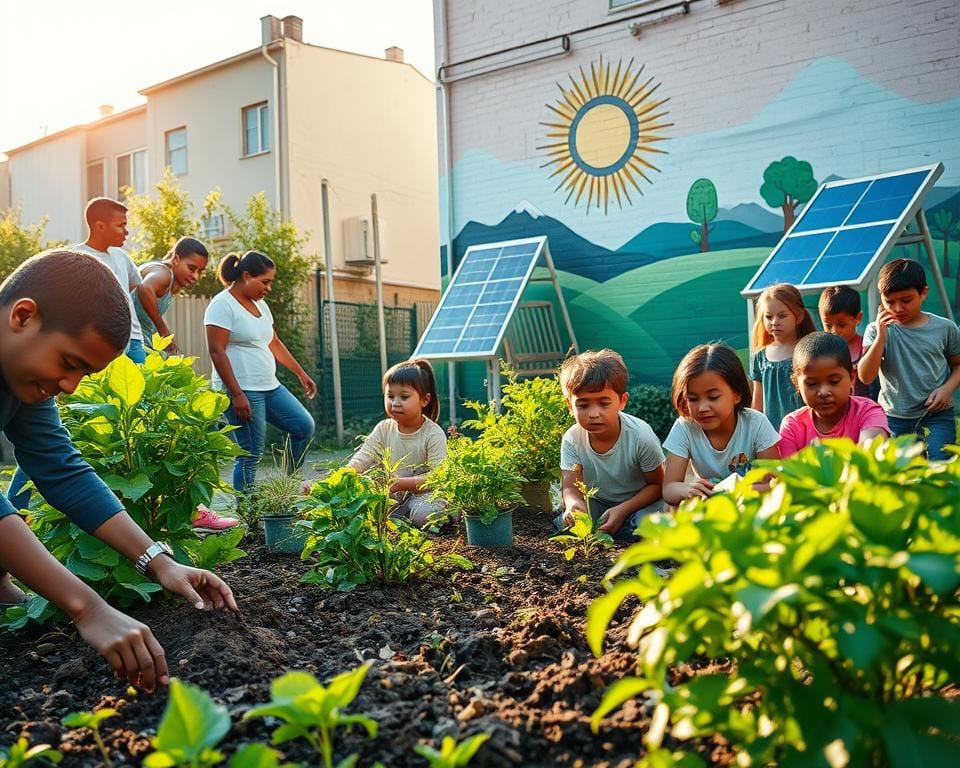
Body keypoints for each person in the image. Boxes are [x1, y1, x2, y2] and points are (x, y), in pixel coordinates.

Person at [0, 250, 237, 692]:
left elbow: (62, 470)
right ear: (23, 316)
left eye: (83, 374)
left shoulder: (23, 377)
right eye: (70, 364)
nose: (69, 386)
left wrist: (159, 561)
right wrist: (87, 608)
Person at [204, 251, 317, 492]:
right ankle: (249, 516)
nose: (268, 288)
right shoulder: (222, 305)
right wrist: (236, 394)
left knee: (303, 427)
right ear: (246, 276)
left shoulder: (261, 306)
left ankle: (287, 487)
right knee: (250, 453)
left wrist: (300, 373)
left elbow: (273, 341)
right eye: (265, 281)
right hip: (242, 389)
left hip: (270, 386)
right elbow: (216, 351)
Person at [556, 349, 664, 540]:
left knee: (643, 525)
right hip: (599, 502)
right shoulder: (572, 439)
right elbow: (571, 487)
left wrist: (622, 510)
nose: (593, 413)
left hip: (639, 502)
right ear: (569, 406)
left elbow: (658, 485)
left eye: (603, 403)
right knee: (566, 524)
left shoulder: (640, 436)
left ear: (622, 401)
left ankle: (625, 528)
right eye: (583, 405)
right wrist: (573, 504)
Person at [858, 258, 960, 460]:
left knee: (940, 471)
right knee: (904, 478)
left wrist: (947, 389)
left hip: (937, 416)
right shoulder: (875, 330)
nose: (897, 308)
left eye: (906, 300)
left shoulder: (945, 328)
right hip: (894, 418)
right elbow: (866, 376)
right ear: (881, 299)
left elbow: (958, 365)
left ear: (923, 293)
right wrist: (881, 336)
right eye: (890, 302)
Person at [662, 343, 780, 505]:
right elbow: (669, 489)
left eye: (713, 397)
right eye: (693, 399)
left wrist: (737, 490)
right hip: (709, 508)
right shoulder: (685, 427)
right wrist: (688, 489)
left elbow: (775, 485)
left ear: (737, 394)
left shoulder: (756, 423)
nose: (703, 408)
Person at [346, 359, 447, 526]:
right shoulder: (383, 429)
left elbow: (438, 477)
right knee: (364, 510)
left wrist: (403, 483)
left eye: (404, 396)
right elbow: (362, 458)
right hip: (393, 494)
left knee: (426, 515)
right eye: (390, 396)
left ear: (425, 400)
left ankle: (446, 513)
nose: (395, 403)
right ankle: (401, 518)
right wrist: (344, 474)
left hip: (425, 494)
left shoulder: (433, 433)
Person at [778, 333, 889, 457]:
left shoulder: (867, 412)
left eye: (834, 381)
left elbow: (871, 451)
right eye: (812, 383)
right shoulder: (792, 426)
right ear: (796, 383)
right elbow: (789, 473)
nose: (824, 392)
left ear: (852, 376)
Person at [71, 197, 146, 364]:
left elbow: (135, 286)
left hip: (133, 338)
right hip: (100, 341)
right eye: (121, 225)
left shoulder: (122, 256)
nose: (126, 231)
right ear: (100, 226)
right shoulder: (76, 258)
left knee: (142, 388)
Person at [750, 283, 816, 430]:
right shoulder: (760, 356)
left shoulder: (810, 350)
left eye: (782, 316)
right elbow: (757, 405)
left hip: (805, 432)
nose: (774, 322)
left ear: (799, 317)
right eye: (768, 317)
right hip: (771, 437)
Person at [133, 236, 209, 355]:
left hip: (137, 341)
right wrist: (164, 332)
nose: (195, 276)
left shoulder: (169, 281)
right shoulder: (163, 274)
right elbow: (145, 288)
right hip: (124, 342)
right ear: (176, 259)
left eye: (199, 271)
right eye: (191, 268)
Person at [818, 285, 877, 400]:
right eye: (828, 325)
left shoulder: (866, 348)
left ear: (858, 318)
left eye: (842, 325)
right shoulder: (822, 352)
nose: (834, 331)